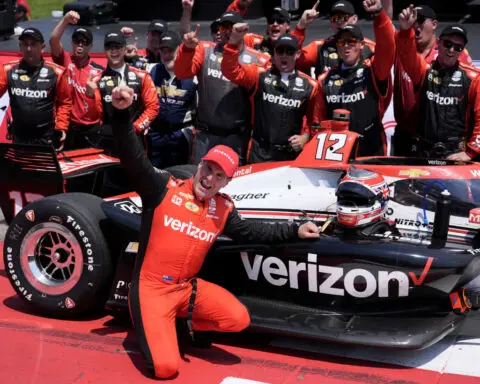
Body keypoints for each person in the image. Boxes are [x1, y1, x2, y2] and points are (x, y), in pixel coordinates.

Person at [109, 83, 321, 379]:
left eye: (219, 176)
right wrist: (121, 114)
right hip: (151, 290)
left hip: (186, 289)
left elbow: (253, 231)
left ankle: (182, 323)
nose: (209, 179)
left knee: (238, 319)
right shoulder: (161, 188)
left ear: (225, 184)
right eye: (208, 169)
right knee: (166, 369)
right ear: (199, 165)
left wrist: (296, 229)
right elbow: (132, 156)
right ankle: (158, 324)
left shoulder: (223, 208)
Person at [174, 11, 270, 165]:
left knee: (233, 184)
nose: (227, 31)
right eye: (223, 27)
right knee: (200, 180)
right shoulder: (204, 49)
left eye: (232, 27)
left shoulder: (259, 60)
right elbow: (181, 73)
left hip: (237, 137)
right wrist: (187, 50)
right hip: (205, 135)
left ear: (243, 30)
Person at [396, 6, 480, 161]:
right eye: (448, 44)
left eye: (458, 47)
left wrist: (471, 152)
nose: (452, 50)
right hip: (422, 151)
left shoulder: (473, 78)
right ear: (439, 43)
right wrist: (406, 30)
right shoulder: (423, 69)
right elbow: (406, 54)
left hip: (456, 154)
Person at [222, 31, 318, 163]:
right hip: (260, 152)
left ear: (298, 54)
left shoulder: (310, 85)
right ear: (274, 53)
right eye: (280, 51)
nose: (284, 55)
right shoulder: (259, 74)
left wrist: (305, 137)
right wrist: (232, 43)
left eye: (289, 51)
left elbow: (316, 121)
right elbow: (230, 71)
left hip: (290, 154)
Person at [316, 0, 395, 157]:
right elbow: (317, 121)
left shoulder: (373, 70)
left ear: (361, 45)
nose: (346, 46)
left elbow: (387, 47)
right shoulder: (324, 80)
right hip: (335, 153)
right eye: (341, 42)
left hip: (371, 150)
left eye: (351, 42)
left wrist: (379, 14)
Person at [86, 30, 159, 155]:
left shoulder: (141, 76)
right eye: (109, 47)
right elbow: (94, 117)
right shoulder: (96, 80)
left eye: (118, 47)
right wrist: (90, 96)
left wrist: (136, 128)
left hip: (135, 137)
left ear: (125, 49)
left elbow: (153, 107)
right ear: (104, 50)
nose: (114, 51)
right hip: (109, 140)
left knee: (137, 174)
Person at [0, 28, 72, 148]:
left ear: (42, 47)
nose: (29, 49)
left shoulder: (57, 72)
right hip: (19, 137)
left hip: (46, 137)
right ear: (20, 47)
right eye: (25, 45)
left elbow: (65, 103)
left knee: (44, 167)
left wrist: (61, 127)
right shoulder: (7, 69)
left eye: (33, 44)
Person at [50, 11, 104, 149]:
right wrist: (65, 20)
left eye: (84, 42)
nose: (80, 45)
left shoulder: (99, 71)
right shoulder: (65, 60)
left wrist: (91, 94)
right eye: (77, 41)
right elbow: (53, 40)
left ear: (90, 46)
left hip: (91, 128)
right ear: (72, 43)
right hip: (68, 126)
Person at [146, 31, 197, 168]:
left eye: (170, 51)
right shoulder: (151, 70)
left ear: (179, 50)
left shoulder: (193, 74)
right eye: (163, 51)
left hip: (180, 136)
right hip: (155, 135)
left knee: (179, 176)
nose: (167, 55)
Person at [296, 1, 376, 78]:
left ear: (354, 19)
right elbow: (291, 59)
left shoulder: (370, 47)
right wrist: (300, 27)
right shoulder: (320, 47)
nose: (339, 22)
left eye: (343, 17)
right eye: (335, 18)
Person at [323, 166, 399, 237]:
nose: (349, 204)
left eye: (359, 201)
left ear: (380, 201)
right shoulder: (331, 226)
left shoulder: (386, 234)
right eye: (345, 198)